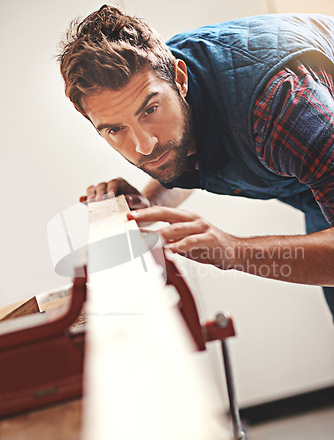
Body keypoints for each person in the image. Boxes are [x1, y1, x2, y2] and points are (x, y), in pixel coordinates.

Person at [58, 4, 334, 319]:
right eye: (115, 129)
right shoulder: (160, 86)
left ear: (180, 79)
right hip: (310, 176)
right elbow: (188, 160)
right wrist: (147, 204)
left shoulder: (281, 106)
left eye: (150, 110)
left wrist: (232, 251)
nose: (144, 146)